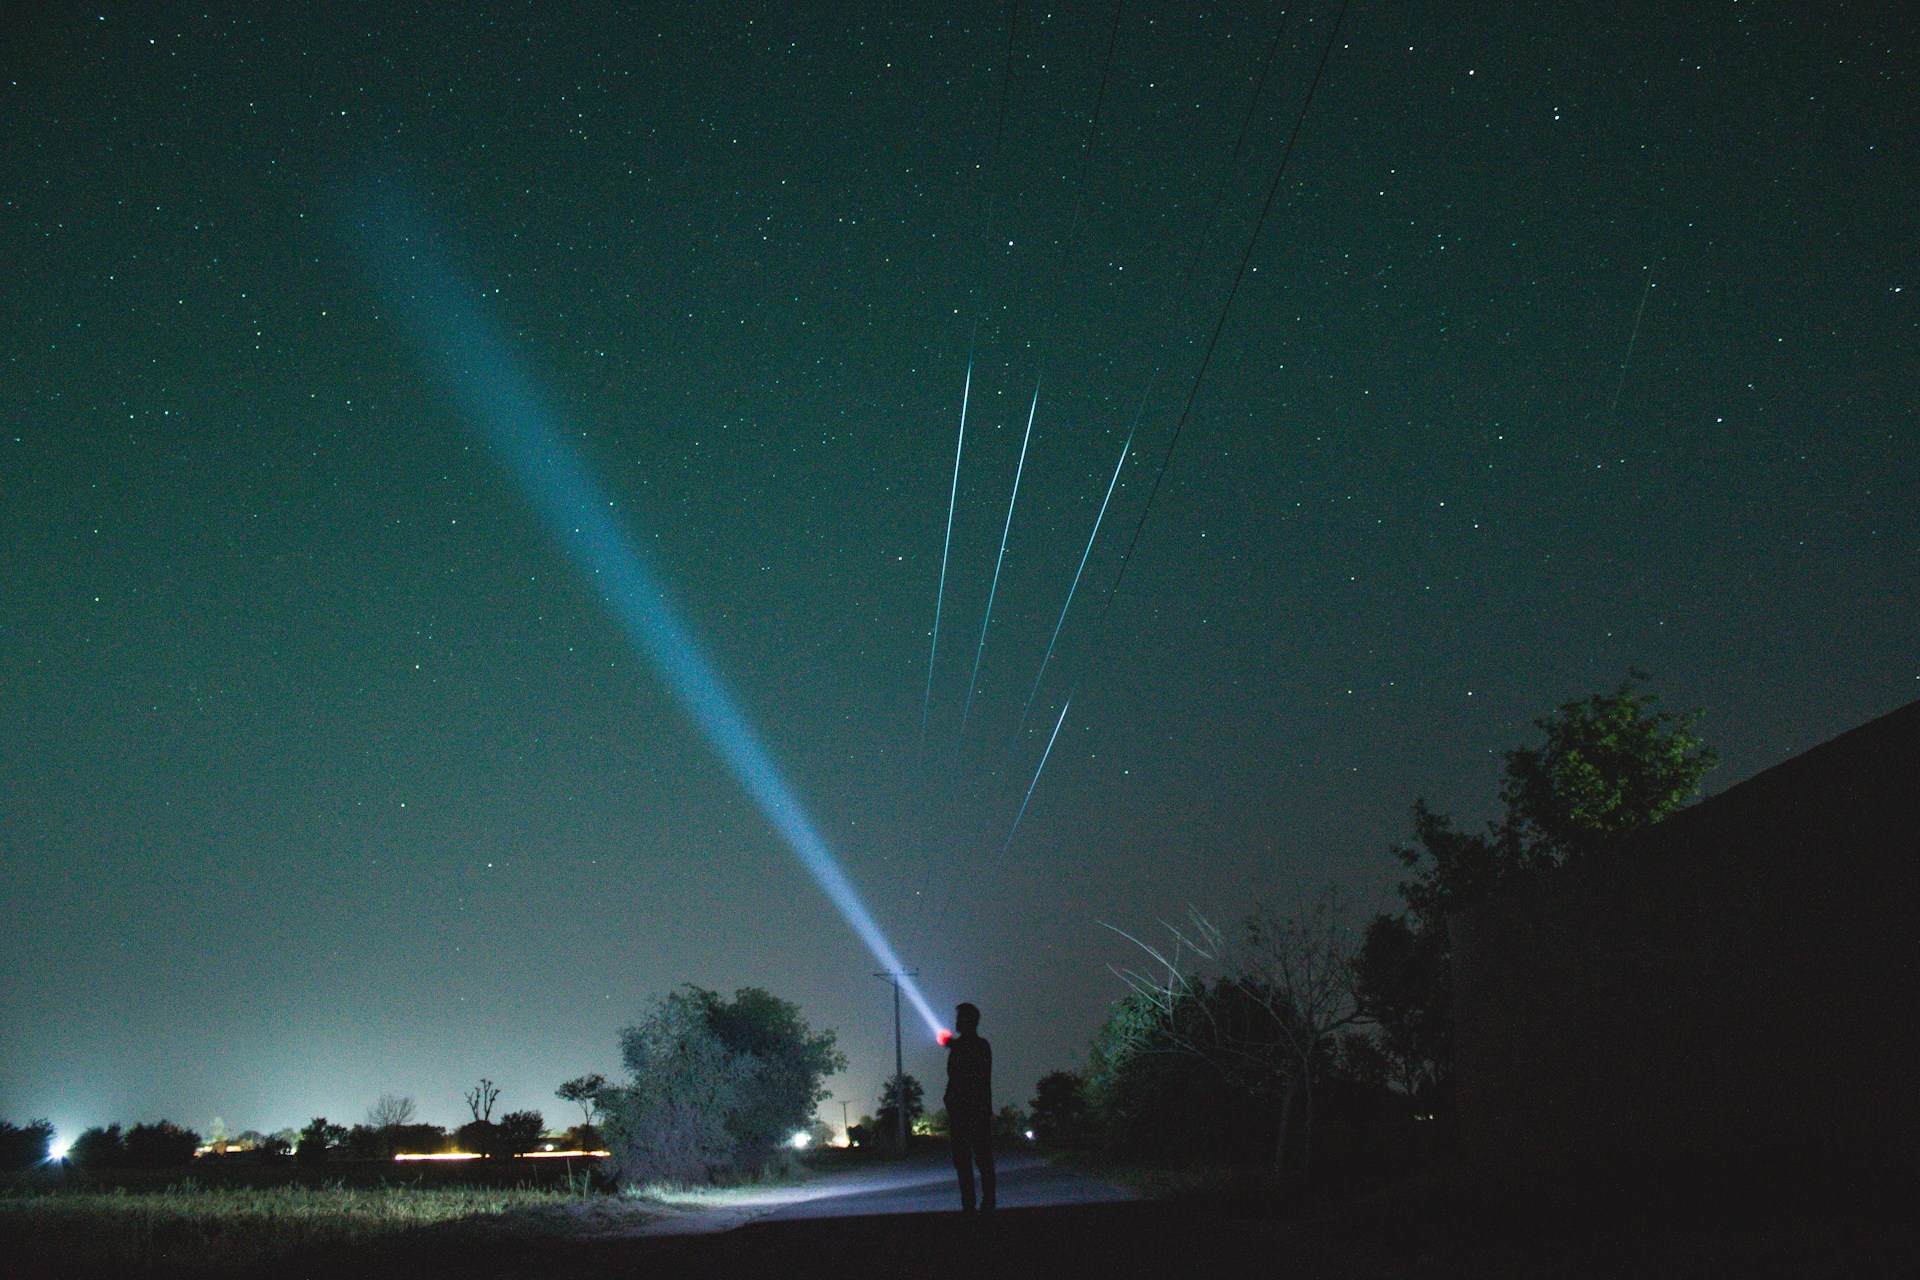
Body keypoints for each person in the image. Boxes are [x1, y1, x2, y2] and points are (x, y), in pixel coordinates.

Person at [943, 1001, 995, 1212]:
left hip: (968, 1112)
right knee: (975, 1159)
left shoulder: (971, 1047)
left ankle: (974, 1203)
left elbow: (962, 1077)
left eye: (959, 1018)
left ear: (966, 1021)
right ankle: (983, 1202)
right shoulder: (980, 1046)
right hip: (972, 1111)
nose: (956, 1021)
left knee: (971, 1160)